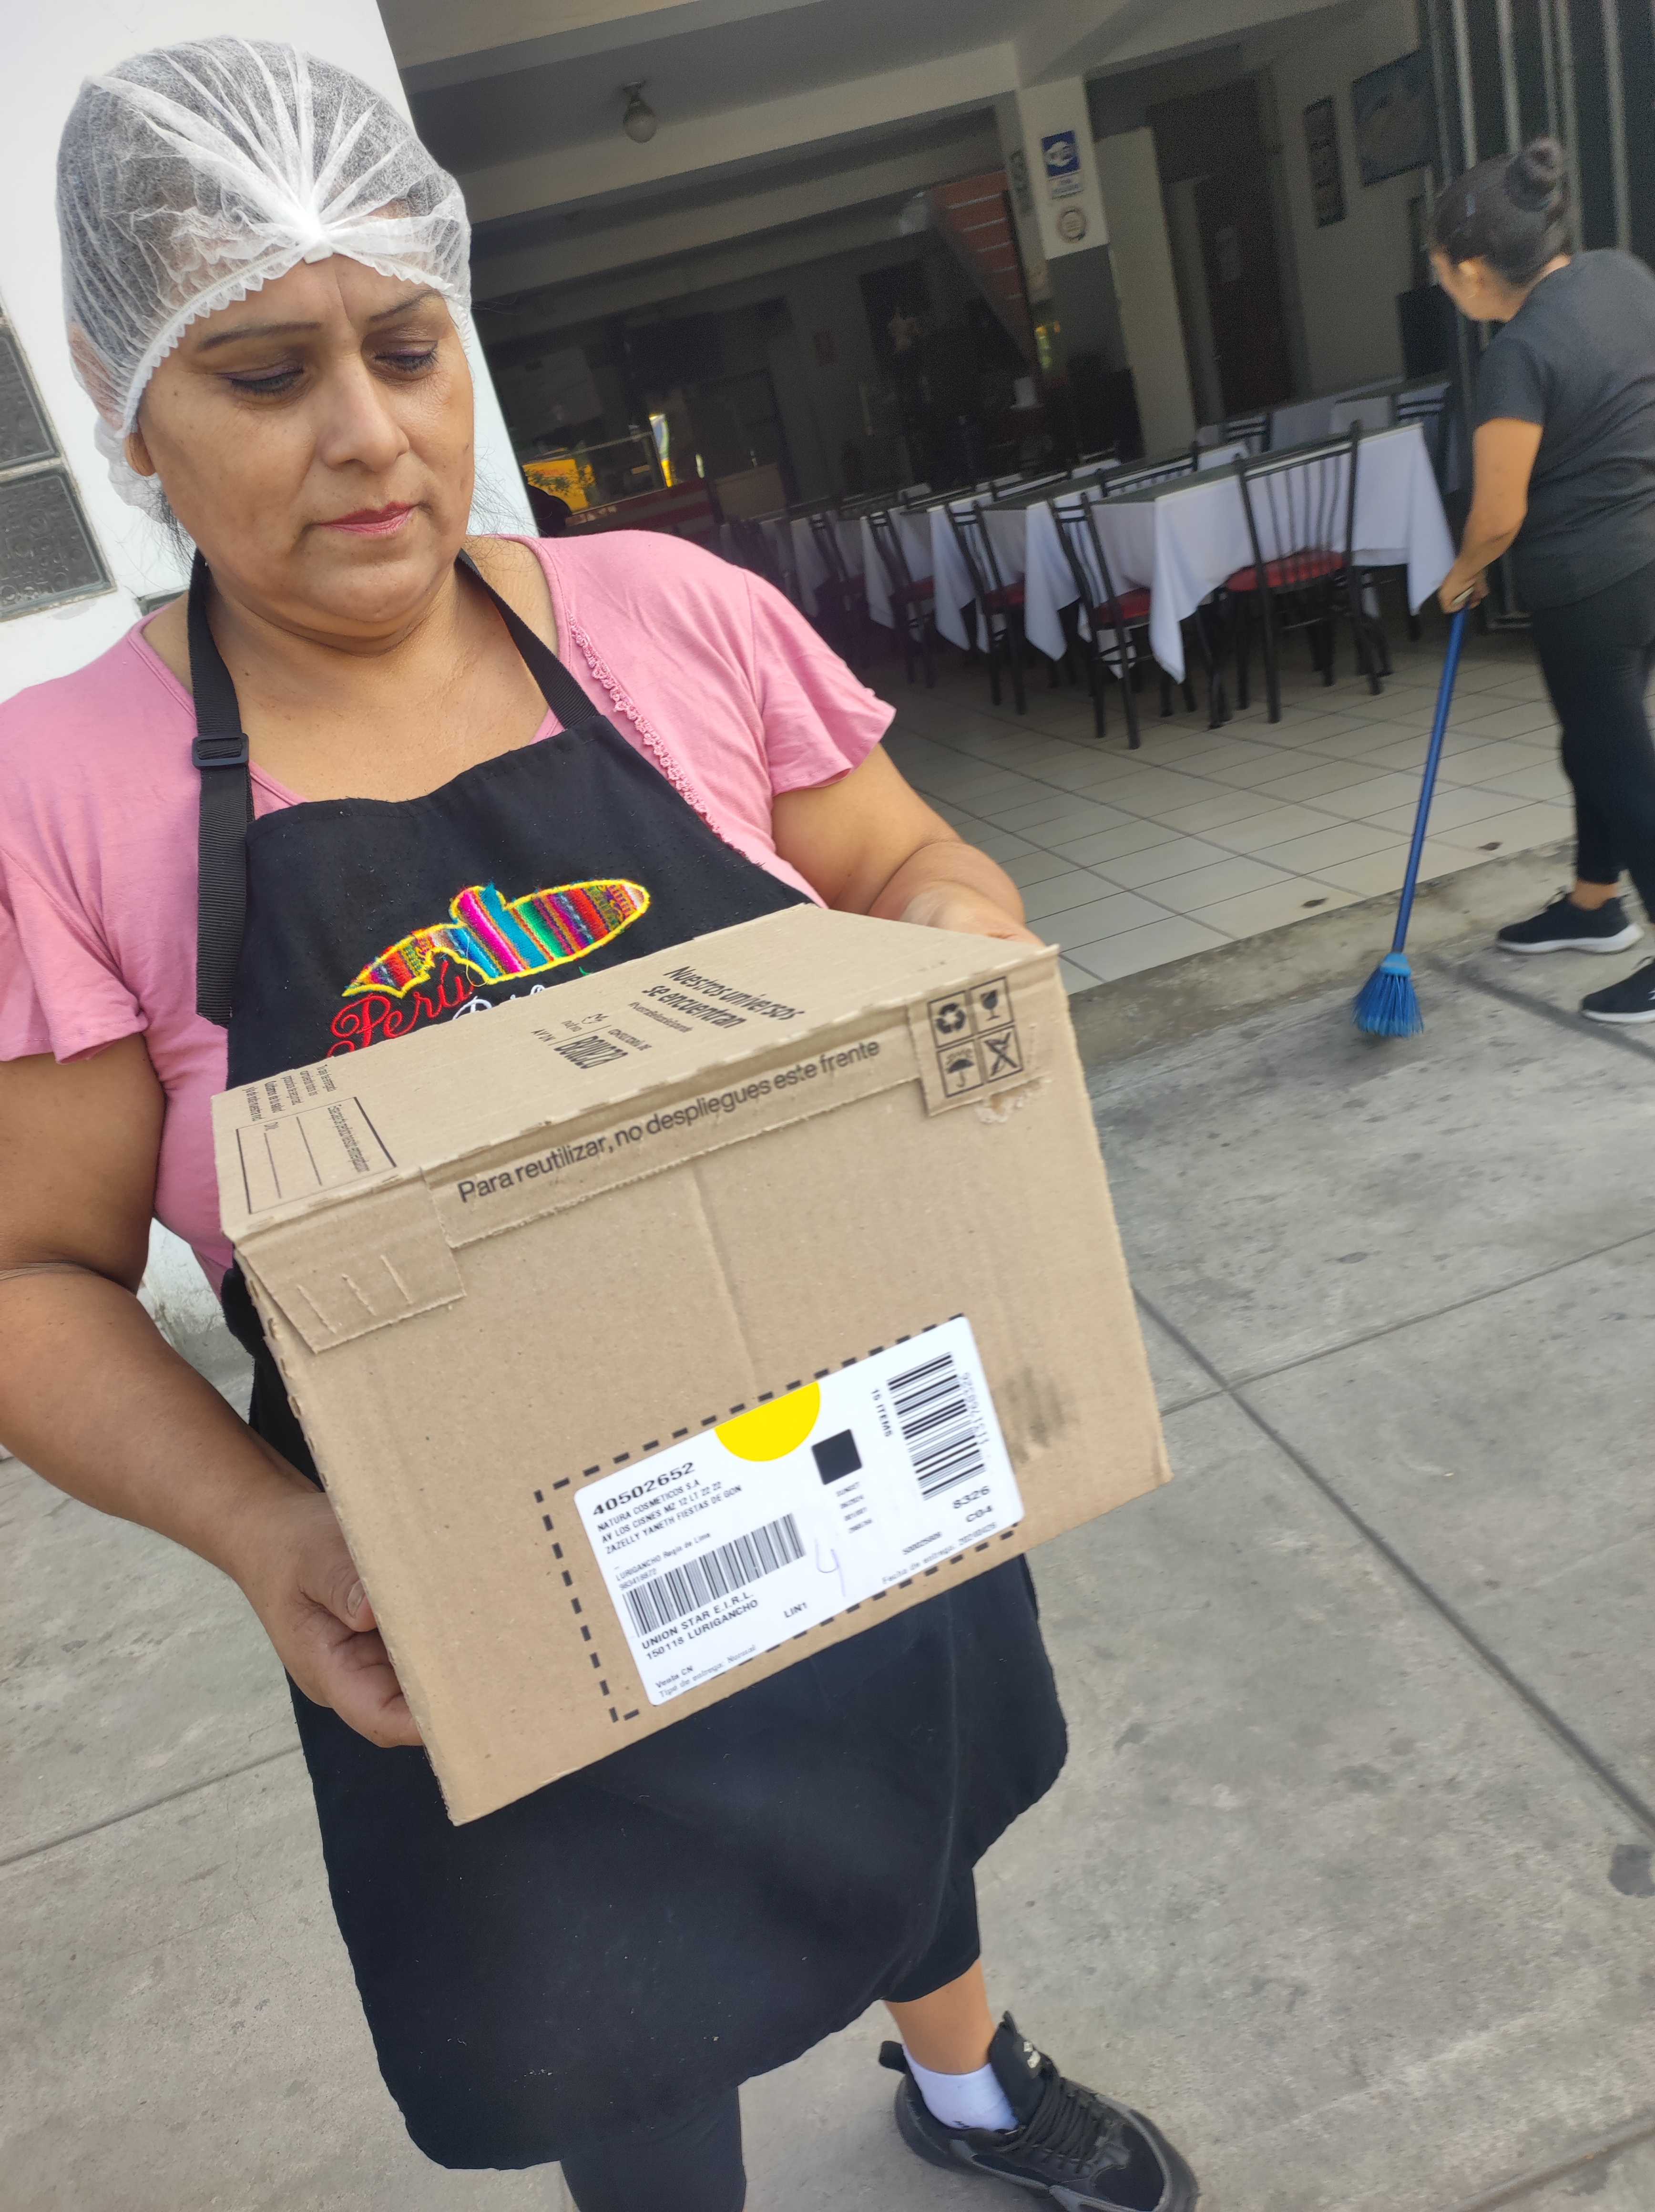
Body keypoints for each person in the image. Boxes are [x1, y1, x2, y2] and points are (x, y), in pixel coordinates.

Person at [0, 41, 1197, 2212]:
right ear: (126, 401)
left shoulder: (669, 619)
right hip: (476, 1571)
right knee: (620, 2013)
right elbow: (30, 1277)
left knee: (911, 1814)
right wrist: (266, 1534)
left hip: (836, 1431)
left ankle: (969, 2087)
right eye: (265, 373)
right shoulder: (60, 795)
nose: (370, 434)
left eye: (406, 348)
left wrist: (943, 957)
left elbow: (911, 862)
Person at [1432, 137, 1655, 1023]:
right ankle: (1595, 904)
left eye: (1443, 272)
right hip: (1646, 554)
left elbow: (1497, 514)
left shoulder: (1517, 355)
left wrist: (1464, 573)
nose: (1445, 288)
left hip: (1588, 583)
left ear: (1474, 270)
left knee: (1618, 761)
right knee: (1599, 744)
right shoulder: (1623, 276)